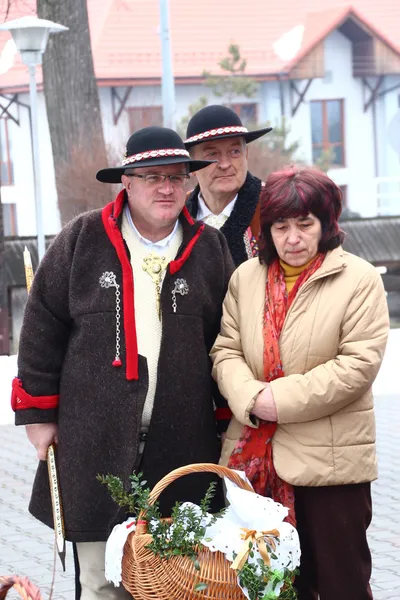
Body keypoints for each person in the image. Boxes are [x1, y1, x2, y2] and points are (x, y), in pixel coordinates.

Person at [11, 126, 234, 600]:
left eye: (177, 177)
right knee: (101, 582)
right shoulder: (81, 241)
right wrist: (37, 416)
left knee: (177, 581)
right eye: (152, 177)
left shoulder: (209, 248)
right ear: (126, 183)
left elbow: (227, 341)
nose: (167, 188)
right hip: (92, 442)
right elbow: (41, 328)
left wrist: (229, 423)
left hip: (183, 445)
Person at [211, 166, 389, 600]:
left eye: (305, 225)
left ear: (326, 225)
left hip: (330, 468)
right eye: (281, 226)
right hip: (252, 463)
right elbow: (225, 350)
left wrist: (276, 400)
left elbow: (357, 365)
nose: (293, 238)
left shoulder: (359, 280)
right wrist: (251, 397)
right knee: (266, 587)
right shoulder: (245, 279)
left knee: (340, 585)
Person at [184, 104, 272, 266]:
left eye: (234, 152)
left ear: (246, 155)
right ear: (192, 165)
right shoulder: (177, 214)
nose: (224, 164)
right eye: (212, 154)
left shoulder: (273, 204)